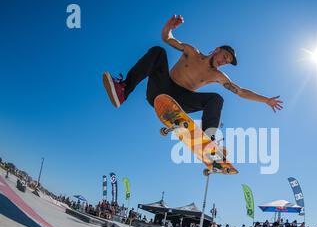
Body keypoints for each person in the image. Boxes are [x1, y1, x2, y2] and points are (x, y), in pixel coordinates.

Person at [103, 15, 283, 141]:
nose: (223, 62)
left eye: (227, 62)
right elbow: (167, 38)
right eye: (224, 57)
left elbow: (241, 91)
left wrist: (266, 100)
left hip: (181, 101)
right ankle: (123, 91)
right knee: (158, 52)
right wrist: (169, 27)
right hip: (161, 88)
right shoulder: (191, 52)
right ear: (217, 50)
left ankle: (208, 139)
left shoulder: (218, 76)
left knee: (216, 98)